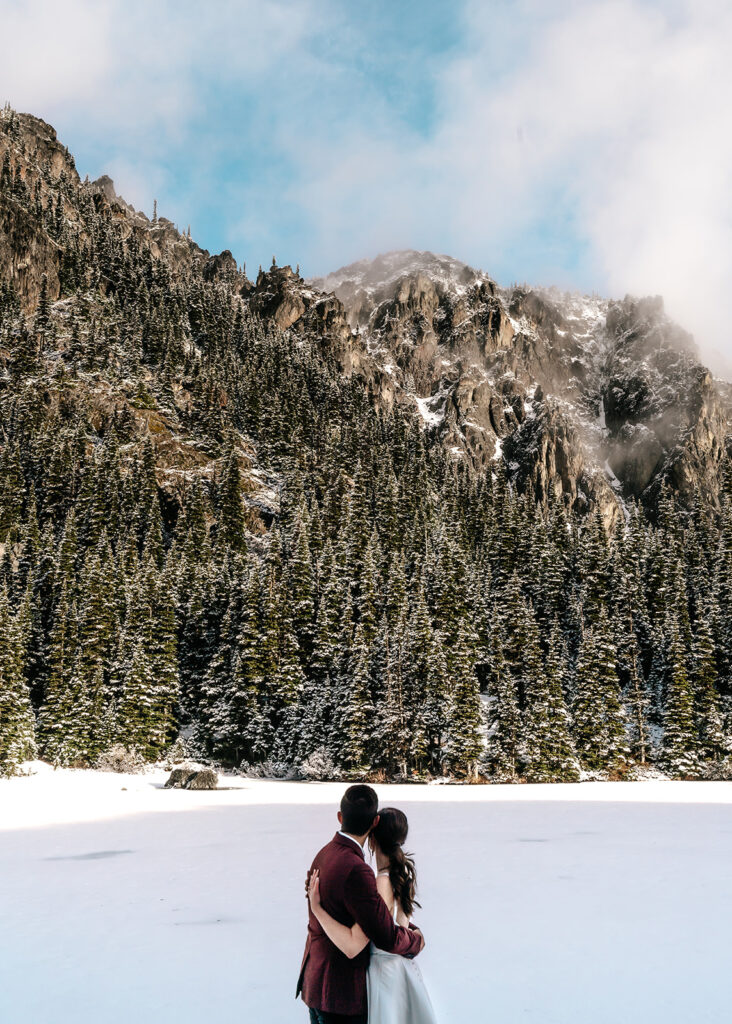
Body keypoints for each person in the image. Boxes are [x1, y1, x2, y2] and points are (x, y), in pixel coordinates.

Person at [297, 785, 425, 1024]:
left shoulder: (324, 853)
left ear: (340, 817)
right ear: (374, 822)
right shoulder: (358, 871)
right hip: (340, 996)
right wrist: (416, 940)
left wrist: (317, 910)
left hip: (316, 985)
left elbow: (374, 919)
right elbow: (376, 938)